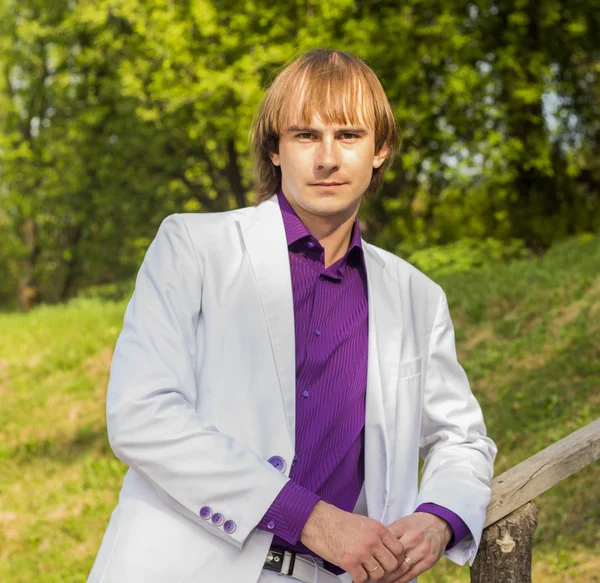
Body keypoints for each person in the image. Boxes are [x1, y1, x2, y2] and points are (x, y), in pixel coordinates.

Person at [87, 49, 496, 583]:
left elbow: (461, 439)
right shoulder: (194, 247)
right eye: (305, 135)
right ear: (275, 150)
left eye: (348, 135)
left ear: (380, 150)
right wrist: (310, 518)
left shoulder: (417, 297)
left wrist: (438, 518)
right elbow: (141, 414)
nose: (327, 158)